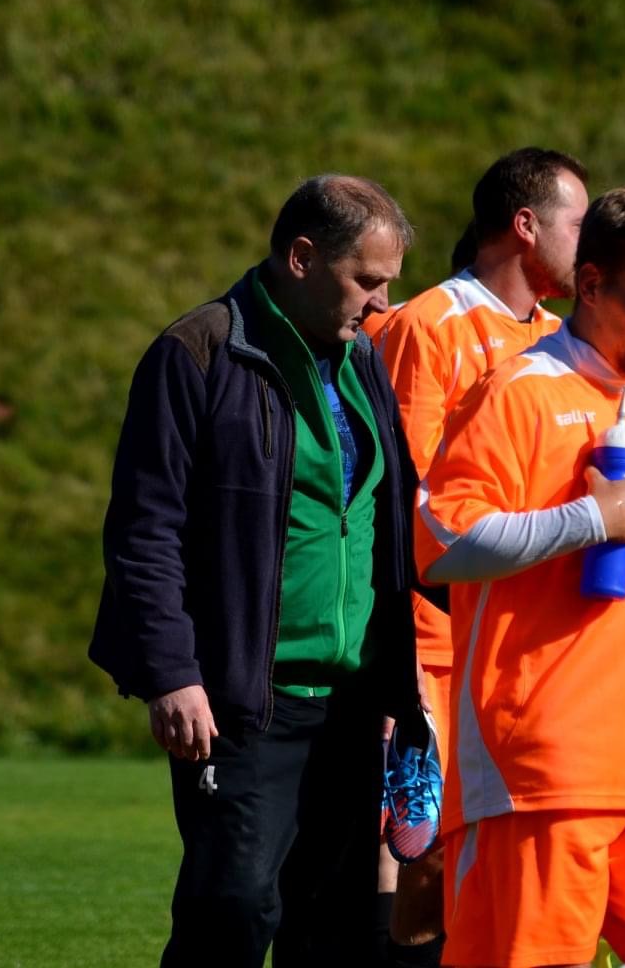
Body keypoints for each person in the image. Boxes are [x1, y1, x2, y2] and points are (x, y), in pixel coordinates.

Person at [90, 175, 426, 968]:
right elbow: (145, 529)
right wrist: (172, 672)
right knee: (233, 911)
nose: (381, 304)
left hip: (352, 707)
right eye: (368, 280)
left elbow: (387, 519)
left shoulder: (363, 359)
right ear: (302, 257)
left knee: (334, 930)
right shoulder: (197, 352)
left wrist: (402, 682)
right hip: (244, 702)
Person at [418, 185, 625, 968]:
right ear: (590, 284)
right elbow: (439, 540)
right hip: (545, 766)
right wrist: (590, 522)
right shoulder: (517, 393)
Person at [362, 147, 588, 958]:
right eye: (578, 222)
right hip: (438, 643)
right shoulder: (431, 327)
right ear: (525, 227)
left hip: (530, 645)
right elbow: (407, 500)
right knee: (417, 854)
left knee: (500, 856)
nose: (590, 241)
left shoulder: (562, 339)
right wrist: (409, 655)